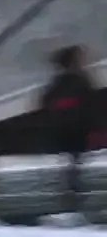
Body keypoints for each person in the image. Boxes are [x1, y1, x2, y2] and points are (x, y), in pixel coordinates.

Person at [41, 45, 98, 215]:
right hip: (75, 129)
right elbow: (90, 103)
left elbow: (47, 101)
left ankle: (72, 195)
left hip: (68, 129)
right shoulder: (78, 80)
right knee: (74, 164)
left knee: (73, 164)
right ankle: (73, 196)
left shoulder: (61, 82)